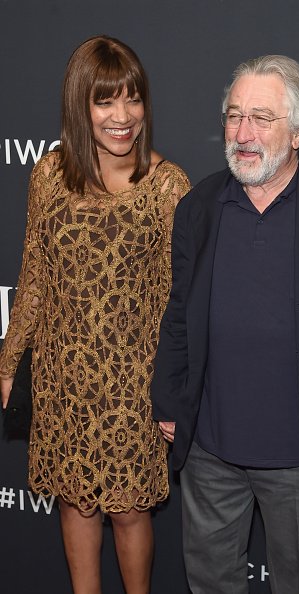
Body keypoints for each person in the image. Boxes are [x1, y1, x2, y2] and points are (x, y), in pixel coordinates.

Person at [151, 55, 299, 594]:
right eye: (234, 116)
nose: (243, 133)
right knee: (210, 583)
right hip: (209, 450)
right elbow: (179, 312)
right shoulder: (199, 206)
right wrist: (167, 400)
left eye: (262, 119)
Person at [0, 35, 190, 594]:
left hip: (135, 384)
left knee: (130, 512)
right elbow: (34, 274)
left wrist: (174, 386)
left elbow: (181, 301)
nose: (122, 116)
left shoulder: (167, 187)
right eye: (106, 101)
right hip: (62, 376)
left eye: (133, 99)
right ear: (80, 104)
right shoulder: (49, 175)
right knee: (75, 504)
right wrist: (10, 359)